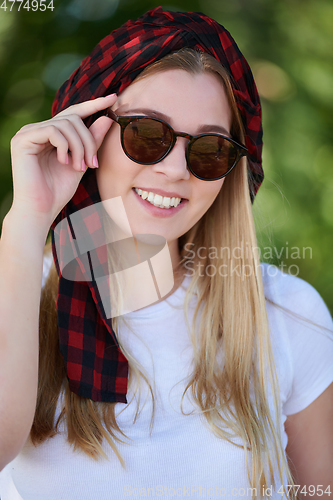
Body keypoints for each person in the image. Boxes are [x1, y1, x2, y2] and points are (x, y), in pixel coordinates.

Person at [0, 7, 332, 500]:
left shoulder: (287, 315)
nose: (177, 169)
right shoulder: (16, 290)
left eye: (209, 149)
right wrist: (27, 221)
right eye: (147, 134)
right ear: (88, 131)